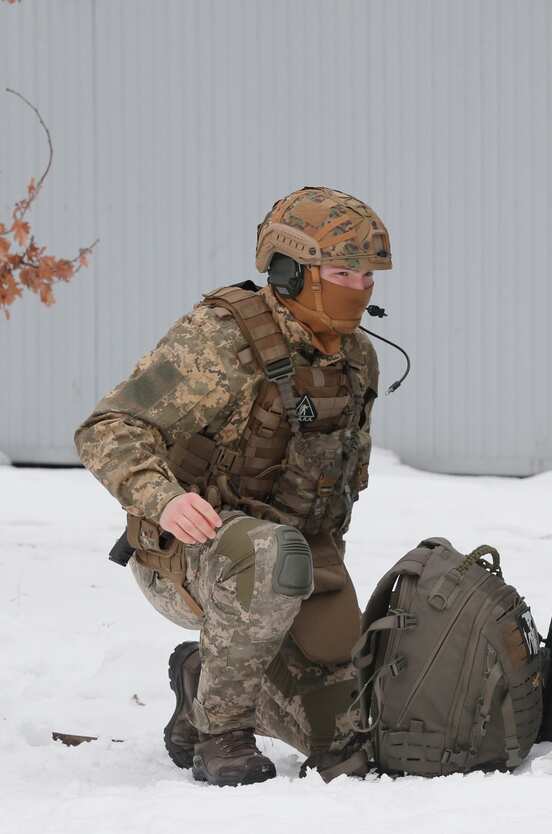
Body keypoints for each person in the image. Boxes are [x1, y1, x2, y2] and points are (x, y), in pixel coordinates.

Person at [75, 186, 390, 786]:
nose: (360, 286)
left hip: (298, 562)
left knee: (347, 743)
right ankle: (221, 733)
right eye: (342, 270)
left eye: (368, 273)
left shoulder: (357, 359)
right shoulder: (223, 339)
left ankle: (202, 676)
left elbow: (335, 490)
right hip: (190, 554)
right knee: (271, 555)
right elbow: (109, 428)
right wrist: (163, 500)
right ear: (289, 270)